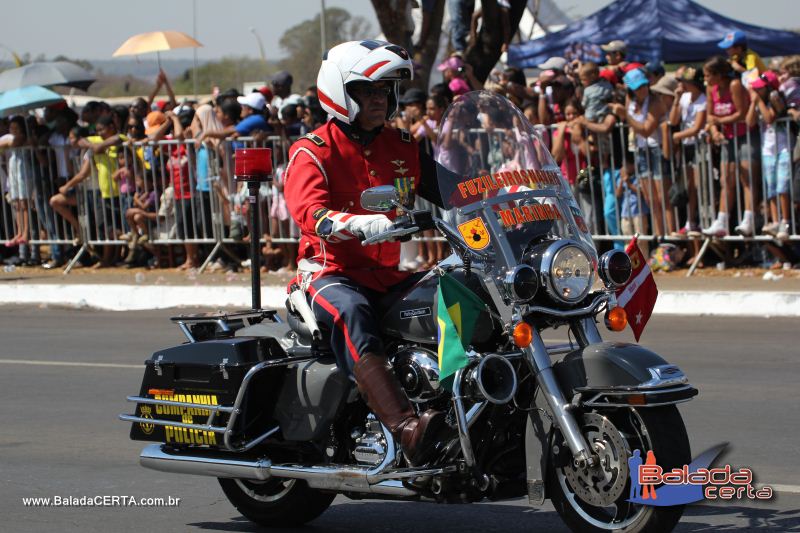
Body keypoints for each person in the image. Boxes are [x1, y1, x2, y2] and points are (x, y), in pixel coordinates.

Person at [284, 40, 447, 466]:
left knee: (455, 294)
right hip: (328, 274)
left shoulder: (404, 146)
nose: (380, 100)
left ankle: (459, 409)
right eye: (367, 91)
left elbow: (457, 191)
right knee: (350, 311)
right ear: (339, 92)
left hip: (387, 276)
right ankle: (407, 429)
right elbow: (310, 215)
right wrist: (358, 223)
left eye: (385, 91)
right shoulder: (312, 151)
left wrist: (509, 195)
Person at [702, 56, 758, 237]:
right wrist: (714, 130)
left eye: (708, 75)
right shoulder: (711, 88)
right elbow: (710, 116)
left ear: (719, 74)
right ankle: (722, 220)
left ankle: (748, 219)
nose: (706, 79)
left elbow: (741, 113)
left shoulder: (734, 85)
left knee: (747, 178)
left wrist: (718, 121)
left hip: (745, 136)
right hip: (727, 137)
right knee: (726, 180)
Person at [610, 69, 670, 236]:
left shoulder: (655, 102)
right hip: (640, 151)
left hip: (655, 150)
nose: (642, 89)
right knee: (651, 200)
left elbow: (645, 130)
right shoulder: (632, 101)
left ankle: (670, 242)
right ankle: (659, 239)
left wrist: (625, 116)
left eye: (643, 85)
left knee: (662, 199)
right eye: (637, 87)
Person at [747, 71, 792, 240]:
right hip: (767, 150)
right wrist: (753, 104)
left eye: (760, 89)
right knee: (771, 187)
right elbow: (749, 122)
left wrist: (758, 102)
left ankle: (785, 222)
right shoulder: (759, 102)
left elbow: (769, 118)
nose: (757, 91)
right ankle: (775, 220)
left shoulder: (775, 99)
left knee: (782, 187)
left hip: (783, 148)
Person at [669, 67, 707, 238]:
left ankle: (700, 220)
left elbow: (698, 126)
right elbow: (673, 120)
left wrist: (678, 135)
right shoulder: (684, 97)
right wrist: (676, 99)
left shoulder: (703, 100)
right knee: (689, 185)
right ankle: (690, 221)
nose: (681, 85)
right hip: (687, 146)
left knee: (699, 185)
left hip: (700, 146)